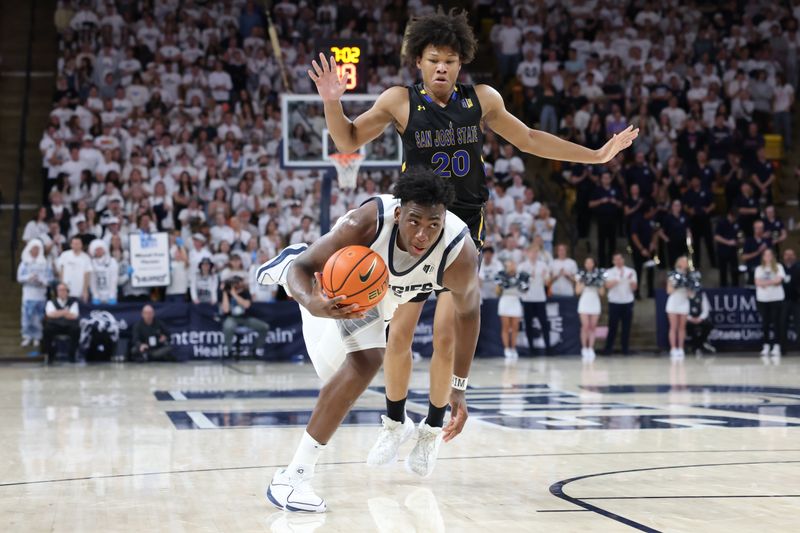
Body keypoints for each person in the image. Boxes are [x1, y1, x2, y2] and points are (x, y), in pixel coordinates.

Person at [308, 8, 637, 477]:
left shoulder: (481, 99)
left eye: (450, 59)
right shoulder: (399, 101)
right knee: (398, 335)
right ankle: (394, 421)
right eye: (433, 59)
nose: (442, 67)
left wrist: (596, 156)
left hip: (461, 228)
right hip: (414, 227)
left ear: (461, 64)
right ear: (418, 62)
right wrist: (331, 101)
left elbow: (529, 138)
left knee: (445, 334)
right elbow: (347, 138)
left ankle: (430, 430)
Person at [256, 170, 480, 512]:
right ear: (398, 214)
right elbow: (304, 268)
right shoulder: (365, 224)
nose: (422, 234)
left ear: (444, 220)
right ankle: (293, 478)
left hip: (387, 298)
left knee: (330, 372)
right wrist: (311, 301)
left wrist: (459, 386)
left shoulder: (459, 254)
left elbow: (469, 315)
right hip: (354, 286)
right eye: (414, 221)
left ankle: (294, 477)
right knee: (367, 360)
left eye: (433, 224)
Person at [220, 275, 270, 358]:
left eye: (236, 283)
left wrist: (234, 294)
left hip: (245, 318)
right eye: (233, 284)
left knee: (264, 327)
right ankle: (229, 351)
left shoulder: (245, 292)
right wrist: (225, 292)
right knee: (228, 326)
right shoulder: (226, 293)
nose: (235, 285)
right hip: (232, 318)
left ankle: (255, 349)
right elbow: (226, 310)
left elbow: (246, 305)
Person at [17, 239, 52, 348]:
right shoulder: (24, 263)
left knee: (38, 316)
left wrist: (42, 281)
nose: (35, 251)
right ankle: (27, 336)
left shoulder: (44, 263)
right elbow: (19, 278)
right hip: (28, 294)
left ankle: (37, 337)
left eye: (38, 249)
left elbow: (50, 279)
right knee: (27, 316)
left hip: (40, 294)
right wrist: (29, 277)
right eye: (34, 249)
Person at [519, 245, 551, 355]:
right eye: (531, 252)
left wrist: (543, 277)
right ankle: (531, 349)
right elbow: (521, 284)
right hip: (528, 299)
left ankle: (548, 348)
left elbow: (547, 283)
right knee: (528, 324)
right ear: (528, 253)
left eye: (535, 252)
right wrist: (529, 278)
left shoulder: (543, 265)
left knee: (544, 323)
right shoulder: (522, 266)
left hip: (540, 298)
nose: (533, 255)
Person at [603, 252, 637, 355]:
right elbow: (607, 285)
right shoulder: (609, 271)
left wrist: (631, 281)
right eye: (616, 259)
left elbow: (635, 287)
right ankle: (608, 349)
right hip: (614, 302)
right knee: (612, 326)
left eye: (620, 259)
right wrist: (618, 279)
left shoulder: (631, 271)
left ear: (623, 260)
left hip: (627, 301)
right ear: (613, 261)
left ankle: (625, 349)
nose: (618, 261)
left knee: (626, 327)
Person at [755, 248, 785, 358]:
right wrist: (772, 282)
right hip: (763, 299)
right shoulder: (759, 269)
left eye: (769, 254)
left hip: (776, 298)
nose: (767, 257)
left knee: (776, 322)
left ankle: (776, 346)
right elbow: (758, 282)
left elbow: (779, 281)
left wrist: (765, 283)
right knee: (765, 323)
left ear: (772, 256)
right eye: (765, 255)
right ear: (763, 257)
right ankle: (766, 345)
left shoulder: (779, 267)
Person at [495, 260, 529, 359]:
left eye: (513, 265)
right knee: (505, 327)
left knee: (515, 327)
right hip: (505, 300)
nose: (512, 267)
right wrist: (501, 284)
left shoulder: (521, 276)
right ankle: (506, 349)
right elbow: (497, 292)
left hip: (515, 301)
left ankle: (513, 348)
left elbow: (525, 289)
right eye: (510, 265)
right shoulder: (501, 276)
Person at [42, 282, 80, 363]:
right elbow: (50, 314)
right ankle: (50, 355)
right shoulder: (51, 302)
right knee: (47, 330)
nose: (62, 292)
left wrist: (57, 313)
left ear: (67, 291)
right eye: (60, 290)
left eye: (64, 290)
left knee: (76, 329)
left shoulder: (73, 302)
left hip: (68, 326)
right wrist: (65, 312)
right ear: (57, 292)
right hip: (55, 326)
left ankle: (72, 355)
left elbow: (74, 316)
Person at [630, 202, 661, 298]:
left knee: (650, 271)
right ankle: (637, 293)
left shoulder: (652, 220)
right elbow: (634, 235)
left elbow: (656, 232)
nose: (653, 212)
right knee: (638, 271)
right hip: (638, 250)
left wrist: (653, 243)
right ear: (647, 211)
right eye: (651, 211)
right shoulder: (637, 219)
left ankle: (650, 292)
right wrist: (641, 249)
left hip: (650, 250)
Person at [576, 257, 603, 360]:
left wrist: (597, 283)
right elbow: (577, 291)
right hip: (584, 301)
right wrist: (585, 281)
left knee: (593, 326)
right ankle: (584, 348)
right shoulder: (581, 275)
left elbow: (602, 293)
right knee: (585, 326)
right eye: (587, 262)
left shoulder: (598, 276)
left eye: (591, 262)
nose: (589, 264)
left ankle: (591, 348)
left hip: (594, 301)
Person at [666, 256, 693, 360]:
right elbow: (669, 291)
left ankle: (681, 348)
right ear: (679, 262)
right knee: (673, 326)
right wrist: (677, 285)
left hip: (684, 302)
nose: (685, 263)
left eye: (686, 261)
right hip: (673, 302)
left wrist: (688, 287)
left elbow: (691, 295)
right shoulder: (672, 275)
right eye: (683, 261)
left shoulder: (690, 275)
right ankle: (673, 348)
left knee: (682, 327)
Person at [57, 236, 92, 302]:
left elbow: (87, 274)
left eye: (78, 243)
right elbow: (61, 271)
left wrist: (85, 290)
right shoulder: (64, 255)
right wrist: (62, 285)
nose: (76, 245)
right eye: (74, 243)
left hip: (80, 289)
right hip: (66, 288)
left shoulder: (86, 258)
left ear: (81, 245)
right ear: (71, 245)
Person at [714, 208, 741, 287]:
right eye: (733, 217)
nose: (734, 219)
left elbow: (738, 235)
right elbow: (716, 237)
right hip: (723, 251)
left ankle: (736, 287)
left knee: (735, 270)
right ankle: (723, 287)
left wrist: (738, 241)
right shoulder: (721, 222)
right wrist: (728, 242)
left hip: (733, 251)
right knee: (723, 270)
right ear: (729, 215)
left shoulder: (736, 223)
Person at [88, 239, 118, 304]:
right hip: (98, 295)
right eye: (97, 250)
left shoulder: (112, 261)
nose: (99, 251)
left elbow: (114, 279)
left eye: (100, 249)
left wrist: (112, 295)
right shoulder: (91, 263)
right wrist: (95, 295)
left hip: (110, 295)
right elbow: (92, 281)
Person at [686, 289, 715, 356]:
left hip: (700, 319)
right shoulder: (684, 296)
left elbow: (706, 311)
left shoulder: (701, 296)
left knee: (708, 325)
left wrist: (700, 318)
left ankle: (699, 345)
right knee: (689, 327)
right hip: (689, 320)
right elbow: (683, 310)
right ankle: (697, 346)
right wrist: (690, 318)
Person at [742, 220, 771, 285]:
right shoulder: (749, 241)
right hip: (752, 270)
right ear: (754, 229)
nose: (759, 230)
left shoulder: (767, 241)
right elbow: (744, 257)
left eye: (761, 228)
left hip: (765, 271)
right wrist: (758, 252)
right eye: (757, 228)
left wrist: (765, 251)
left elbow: (771, 257)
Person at [782, 249, 800, 349]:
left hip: (796, 301)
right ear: (783, 256)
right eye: (787, 255)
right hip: (783, 302)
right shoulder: (779, 267)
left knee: (799, 325)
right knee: (782, 325)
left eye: (791, 255)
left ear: (795, 256)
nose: (789, 257)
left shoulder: (798, 267)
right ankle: (782, 348)